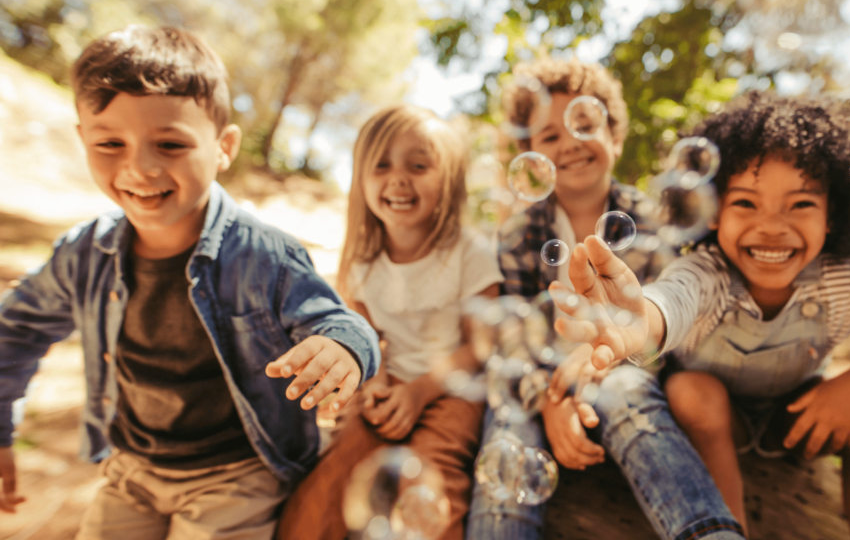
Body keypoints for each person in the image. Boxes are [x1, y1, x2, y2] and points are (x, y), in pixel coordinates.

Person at [0, 26, 380, 538]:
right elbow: (15, 330)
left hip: (237, 476)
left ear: (223, 147)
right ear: (82, 140)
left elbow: (339, 322)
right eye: (110, 142)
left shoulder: (264, 254)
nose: (139, 166)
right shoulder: (84, 254)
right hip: (133, 471)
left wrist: (344, 351)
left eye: (171, 143)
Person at [554, 91, 850, 540]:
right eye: (746, 203)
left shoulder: (847, 282)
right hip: (714, 415)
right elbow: (670, 301)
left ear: (833, 216)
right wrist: (637, 322)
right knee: (692, 389)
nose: (771, 226)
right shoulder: (706, 271)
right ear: (711, 213)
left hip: (796, 414)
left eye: (801, 204)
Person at [466, 58, 745, 540]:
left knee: (628, 394)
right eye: (549, 136)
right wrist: (550, 398)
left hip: (621, 373)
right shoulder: (516, 236)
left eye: (584, 124)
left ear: (614, 137)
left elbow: (657, 330)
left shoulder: (652, 221)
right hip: (537, 382)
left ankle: (709, 533)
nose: (569, 142)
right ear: (531, 156)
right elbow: (510, 334)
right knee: (509, 424)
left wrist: (591, 373)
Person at [276, 104, 503, 540]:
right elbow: (363, 338)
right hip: (386, 384)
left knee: (434, 477)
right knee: (337, 470)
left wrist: (420, 392)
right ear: (360, 180)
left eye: (418, 166)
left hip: (452, 389)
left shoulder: (469, 252)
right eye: (381, 165)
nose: (398, 178)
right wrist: (372, 382)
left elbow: (481, 345)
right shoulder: (363, 263)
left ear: (450, 181)